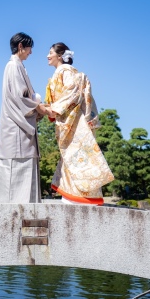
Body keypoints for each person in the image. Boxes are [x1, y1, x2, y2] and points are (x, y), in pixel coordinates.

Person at [45, 42, 114, 205]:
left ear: (60, 56)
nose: (48, 56)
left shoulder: (67, 72)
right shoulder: (61, 72)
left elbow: (72, 94)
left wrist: (53, 110)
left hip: (73, 121)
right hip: (67, 119)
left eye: (50, 53)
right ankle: (73, 195)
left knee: (76, 157)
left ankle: (81, 197)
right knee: (72, 157)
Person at [0, 32, 51, 203]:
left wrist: (39, 106)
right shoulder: (13, 66)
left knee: (21, 174)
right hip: (16, 129)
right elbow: (20, 98)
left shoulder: (17, 66)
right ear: (21, 47)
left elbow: (24, 97)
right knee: (15, 175)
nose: (30, 52)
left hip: (19, 126)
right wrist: (40, 107)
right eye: (29, 48)